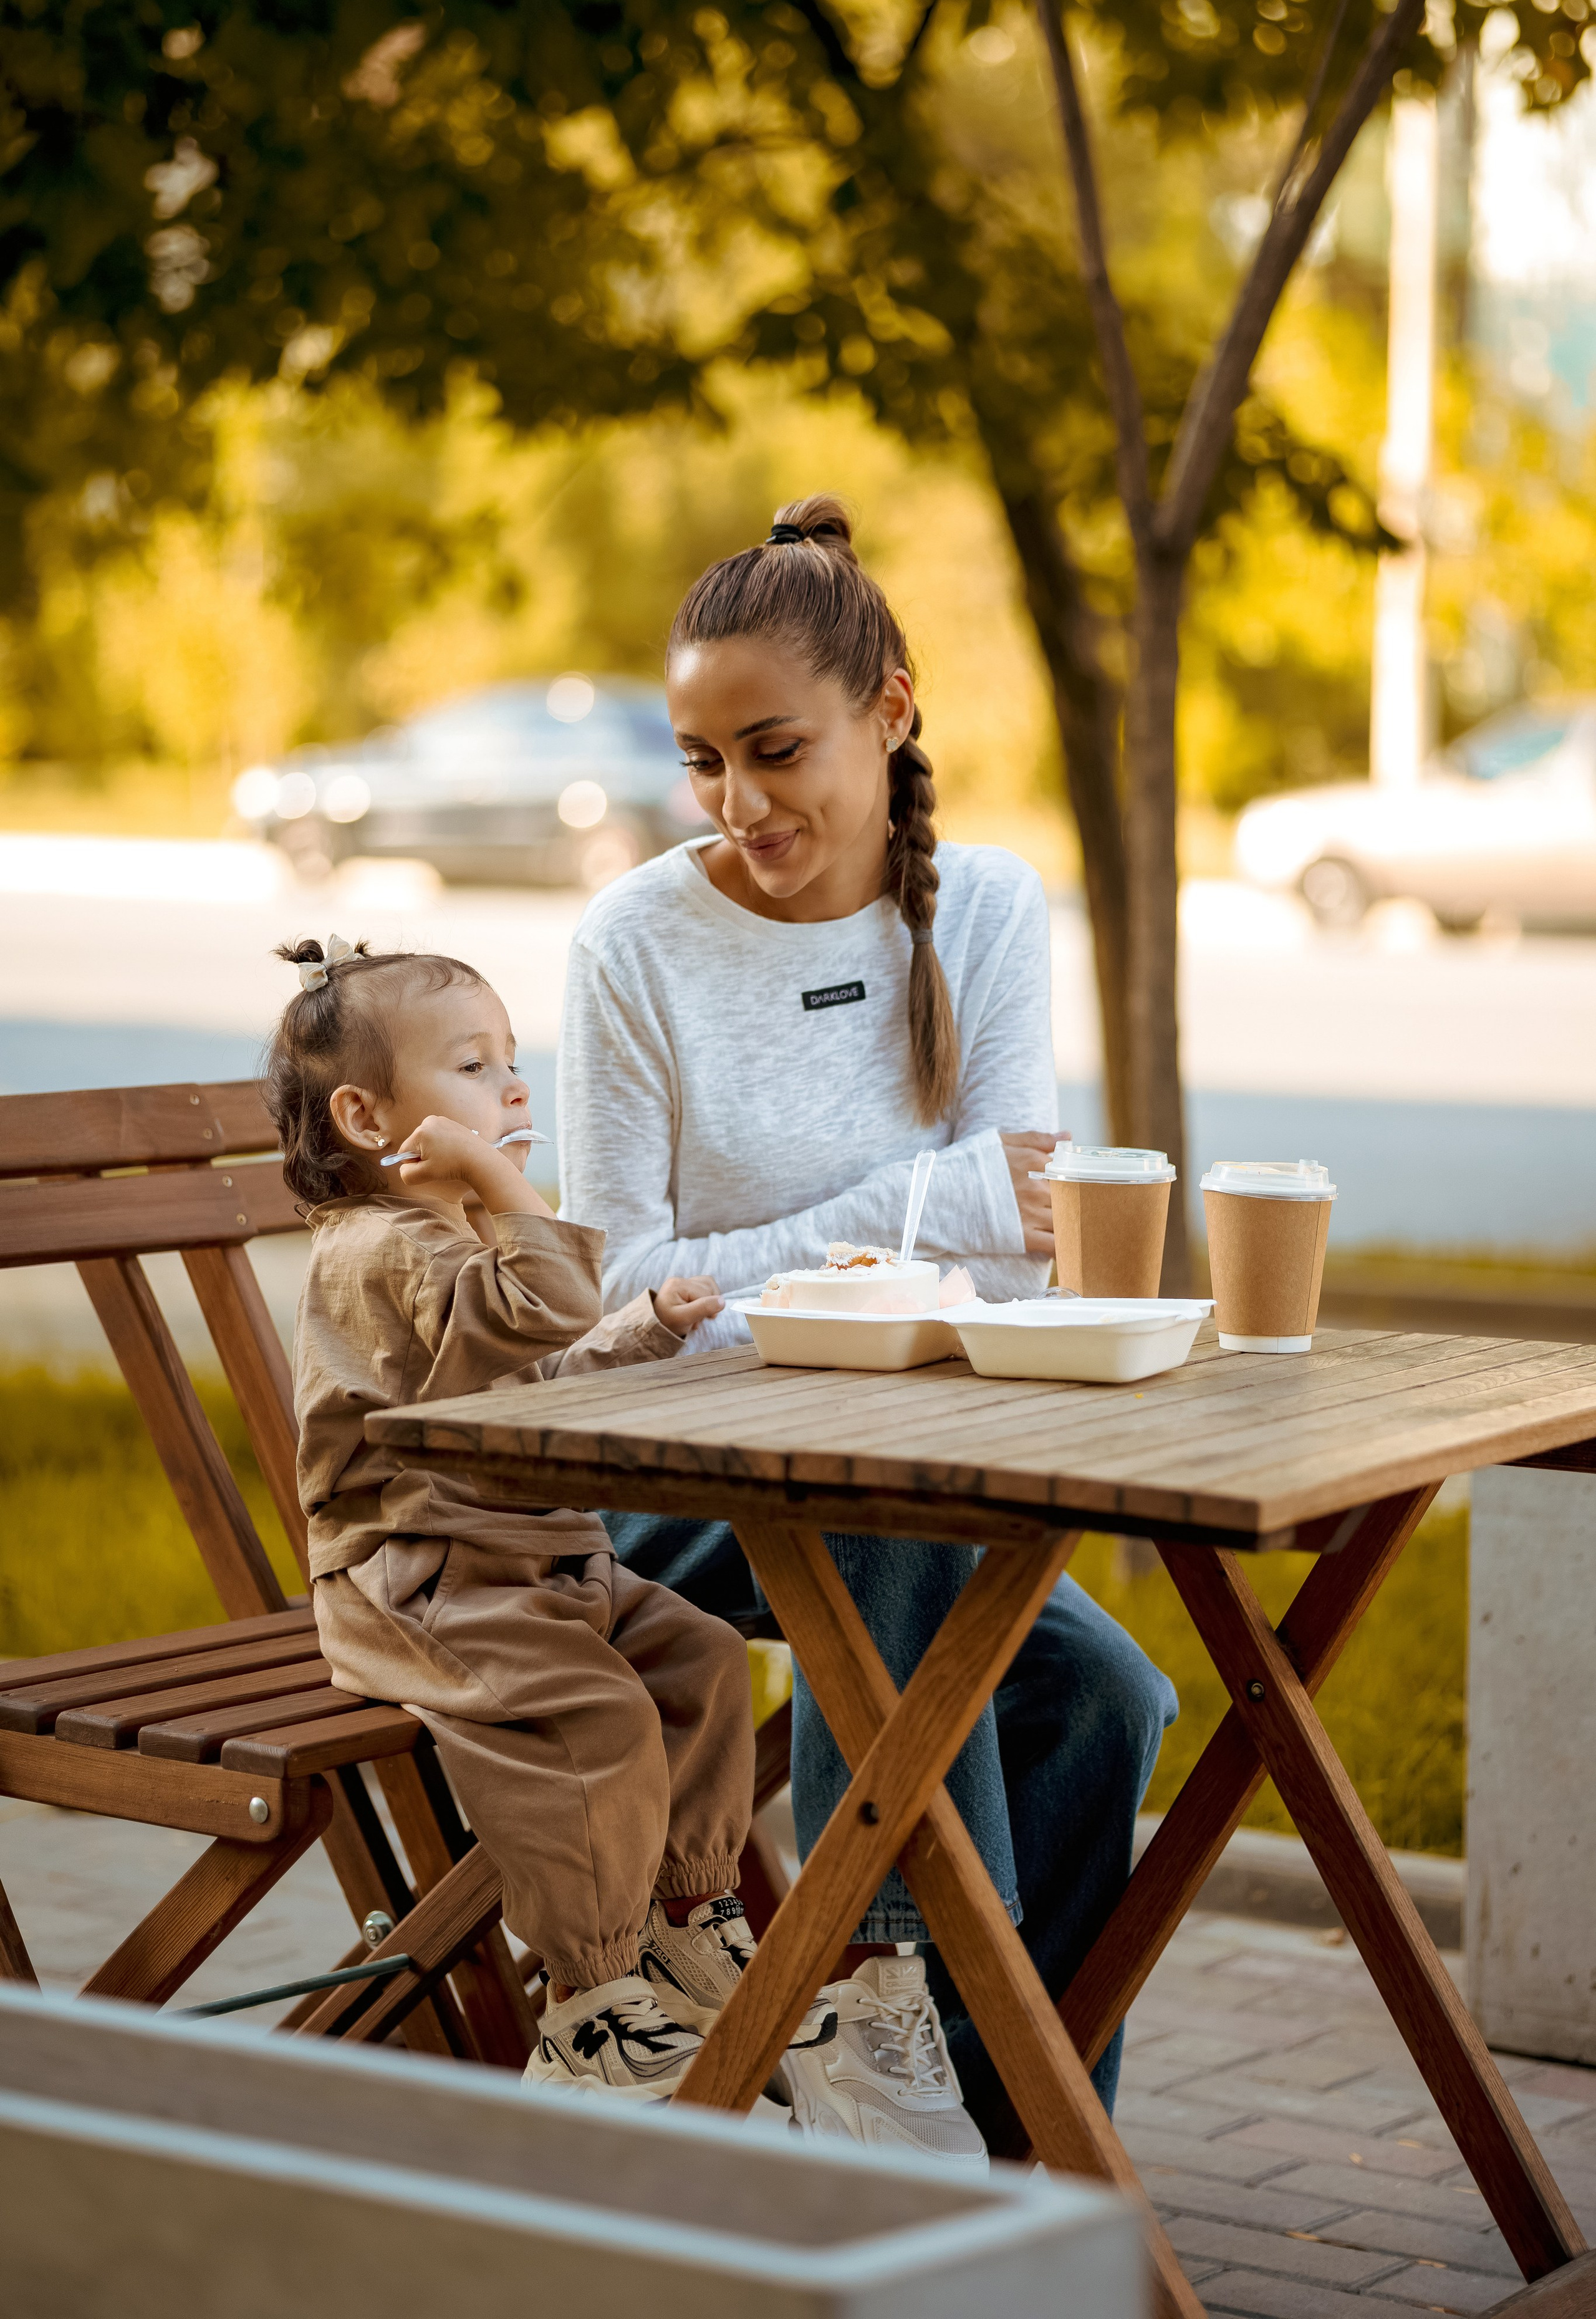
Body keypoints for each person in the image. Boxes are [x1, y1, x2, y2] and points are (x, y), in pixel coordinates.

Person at [558, 494, 1178, 2163]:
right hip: (653, 1487)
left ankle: (1005, 2159)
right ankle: (881, 2009)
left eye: (776, 750)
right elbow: (626, 1303)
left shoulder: (978, 910)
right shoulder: (633, 945)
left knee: (1103, 1705)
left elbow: (1025, 1266)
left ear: (888, 711)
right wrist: (924, 1215)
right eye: (702, 761)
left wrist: (925, 1241)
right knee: (885, 1515)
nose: (740, 803)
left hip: (889, 1483)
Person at [267, 932, 805, 2106]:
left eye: (512, 1060)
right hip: (418, 1583)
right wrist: (511, 1189)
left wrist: (641, 1333)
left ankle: (691, 1922)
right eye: (472, 1067)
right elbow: (545, 1306)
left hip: (536, 1564)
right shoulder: (378, 1249)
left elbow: (540, 1375)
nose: (514, 1087)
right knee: (597, 1720)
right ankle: (590, 2007)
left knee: (703, 1655)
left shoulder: (451, 1250)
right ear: (369, 1119)